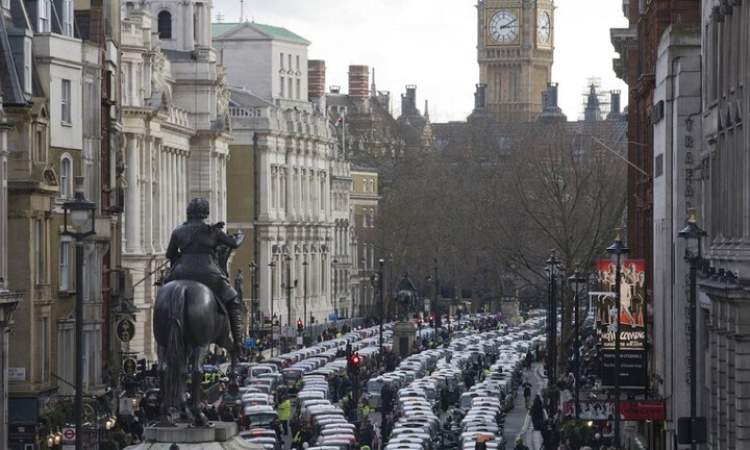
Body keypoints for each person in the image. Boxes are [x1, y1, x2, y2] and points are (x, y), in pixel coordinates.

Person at [164, 198, 244, 351]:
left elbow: (169, 254)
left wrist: (181, 259)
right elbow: (233, 244)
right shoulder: (213, 231)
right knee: (233, 299)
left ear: (189, 212)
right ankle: (238, 343)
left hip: (181, 273)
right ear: (205, 213)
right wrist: (241, 235)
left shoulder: (178, 231)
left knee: (165, 290)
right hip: (208, 273)